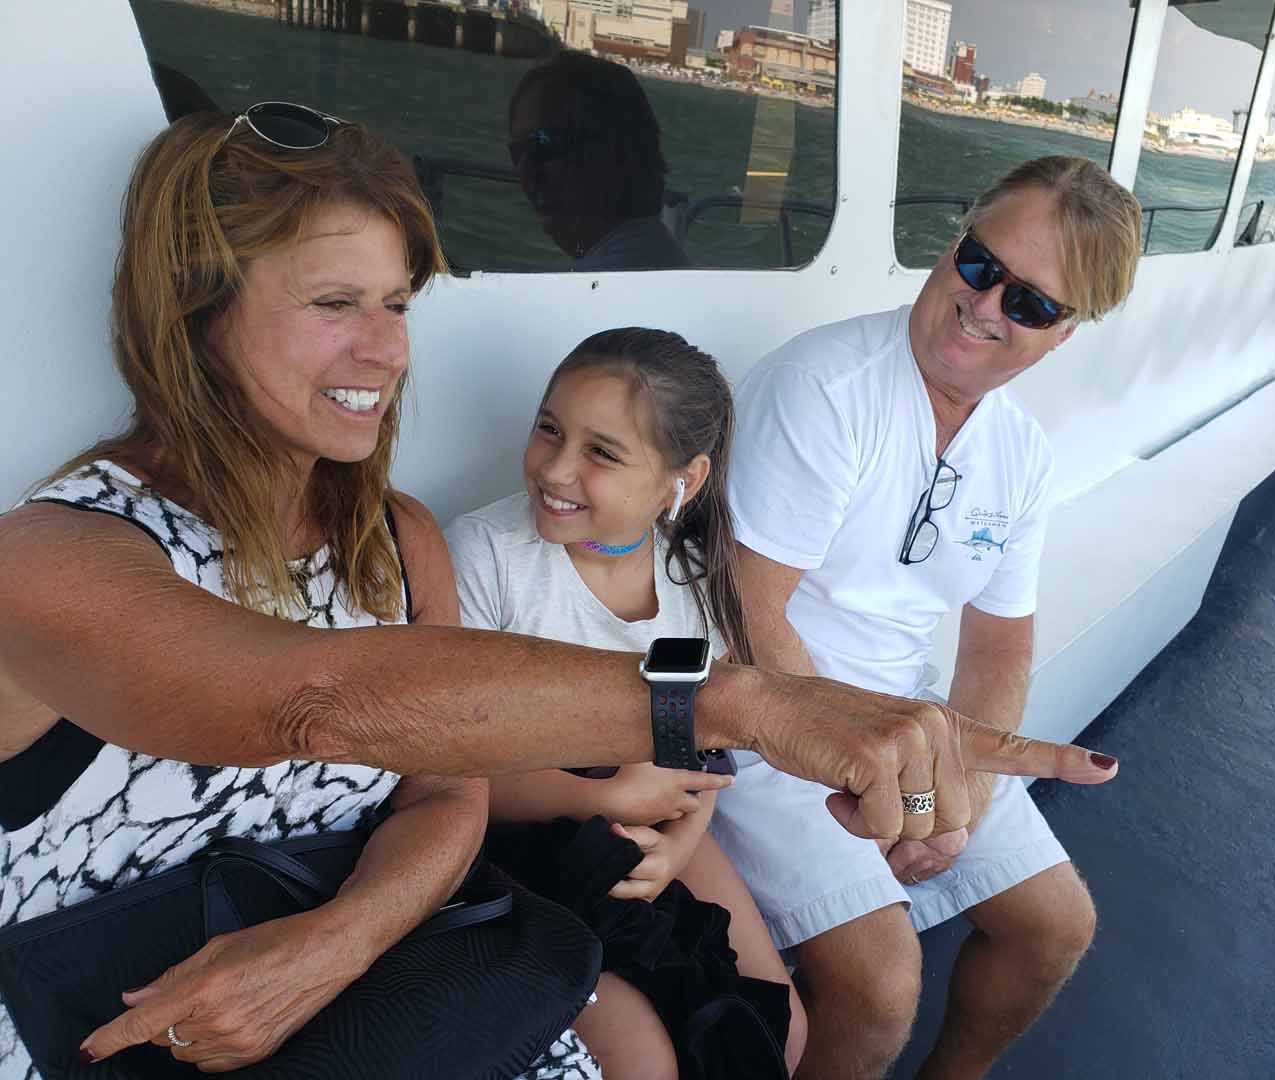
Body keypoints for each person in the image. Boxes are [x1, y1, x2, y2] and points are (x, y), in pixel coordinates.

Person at [0, 109, 1118, 1075]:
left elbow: (444, 795)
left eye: (399, 302)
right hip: (98, 1024)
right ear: (195, 311)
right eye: (335, 300)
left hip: (363, 974)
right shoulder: (50, 555)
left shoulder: (397, 537)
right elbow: (309, 696)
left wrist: (341, 939)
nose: (385, 352)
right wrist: (743, 705)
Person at [711, 155, 1142, 1079]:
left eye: (1029, 304)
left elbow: (999, 643)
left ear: (1064, 335)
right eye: (981, 267)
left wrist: (961, 797)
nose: (986, 307)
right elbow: (752, 615)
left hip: (907, 720)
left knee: (1057, 926)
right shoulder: (825, 389)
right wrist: (908, 797)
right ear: (954, 246)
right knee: (882, 984)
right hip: (766, 722)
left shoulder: (1019, 454)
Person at [446, 328, 804, 1078]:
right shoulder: (486, 559)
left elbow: (699, 753)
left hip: (651, 815)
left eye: (601, 452)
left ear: (685, 477)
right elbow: (452, 774)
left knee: (783, 1024)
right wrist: (605, 792)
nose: (556, 467)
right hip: (506, 836)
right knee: (642, 1057)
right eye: (549, 428)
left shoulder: (697, 581)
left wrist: (677, 845)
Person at [508, 51, 689, 271]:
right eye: (517, 153)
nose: (526, 175)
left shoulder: (584, 293)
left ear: (612, 150)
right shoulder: (668, 262)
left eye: (543, 146)